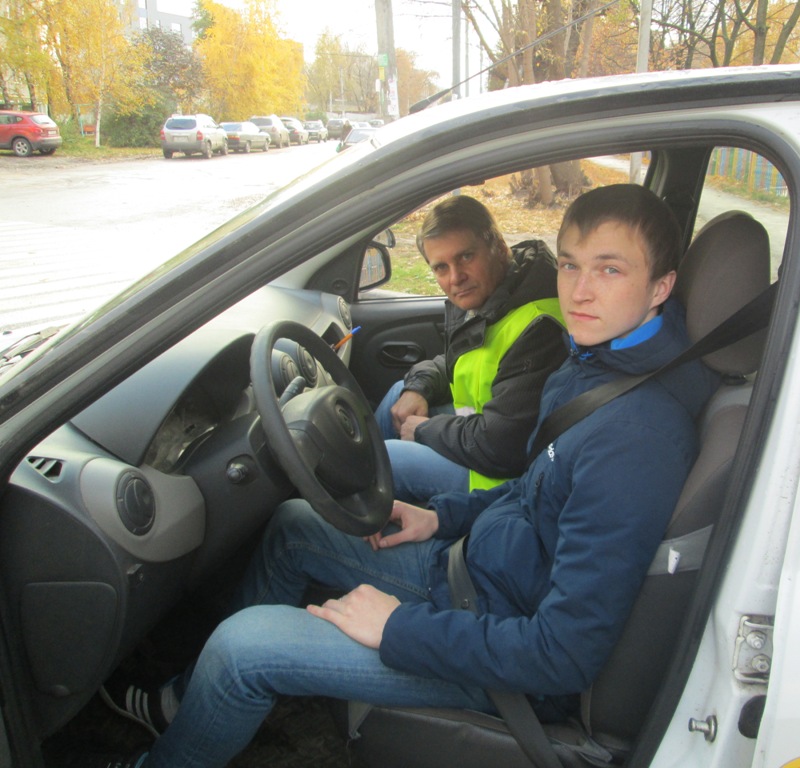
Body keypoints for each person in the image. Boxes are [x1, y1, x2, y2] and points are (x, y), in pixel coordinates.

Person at [87, 184, 719, 768]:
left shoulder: (635, 436)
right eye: (571, 264)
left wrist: (398, 628)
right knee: (293, 524)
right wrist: (441, 515)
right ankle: (190, 705)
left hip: (498, 657)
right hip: (475, 572)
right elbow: (536, 491)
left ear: (660, 287)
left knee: (241, 649)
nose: (579, 291)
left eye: (610, 269)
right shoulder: (595, 363)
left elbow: (562, 654)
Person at [373, 194, 566, 502]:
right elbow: (460, 360)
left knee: (386, 462)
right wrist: (418, 387)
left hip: (506, 479)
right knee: (401, 393)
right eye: (441, 267)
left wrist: (424, 430)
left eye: (465, 257)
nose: (456, 278)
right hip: (484, 428)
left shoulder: (538, 326)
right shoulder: (496, 293)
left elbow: (501, 447)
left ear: (499, 246)